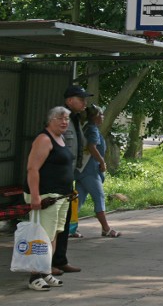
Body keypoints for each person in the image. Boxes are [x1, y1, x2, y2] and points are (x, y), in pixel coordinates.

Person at [23, 106, 75, 291]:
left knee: (53, 235)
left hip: (60, 196)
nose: (64, 122)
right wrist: (35, 196)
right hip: (46, 196)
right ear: (49, 120)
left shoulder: (60, 139)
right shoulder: (44, 139)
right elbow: (32, 169)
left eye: (67, 119)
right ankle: (34, 276)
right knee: (42, 237)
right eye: (60, 118)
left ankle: (46, 271)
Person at [51, 85, 92, 275]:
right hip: (56, 178)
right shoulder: (59, 120)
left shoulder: (75, 119)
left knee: (64, 221)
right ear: (69, 101)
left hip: (69, 177)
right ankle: (47, 263)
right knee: (52, 224)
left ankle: (60, 260)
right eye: (81, 98)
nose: (85, 102)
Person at [74, 104, 120, 237]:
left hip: (81, 170)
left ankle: (71, 228)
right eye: (101, 114)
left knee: (78, 200)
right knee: (99, 197)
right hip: (90, 170)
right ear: (96, 116)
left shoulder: (86, 127)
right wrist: (102, 161)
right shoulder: (93, 129)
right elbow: (92, 147)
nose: (103, 117)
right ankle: (106, 229)